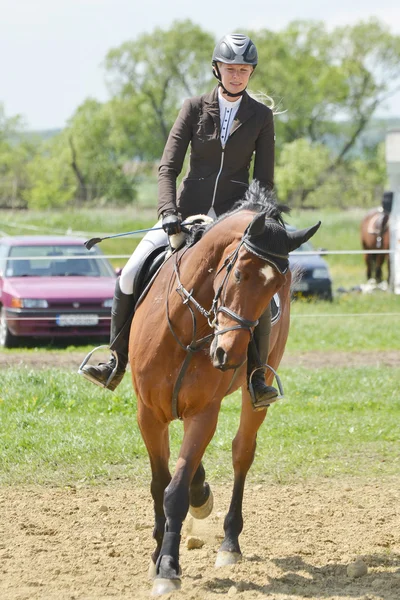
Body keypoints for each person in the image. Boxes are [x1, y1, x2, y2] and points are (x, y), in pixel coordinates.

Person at [80, 32, 278, 409]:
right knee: (130, 272)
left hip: (234, 223)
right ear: (216, 69)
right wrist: (168, 214)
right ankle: (115, 361)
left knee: (259, 296)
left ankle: (256, 377)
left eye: (244, 69)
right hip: (185, 215)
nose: (237, 75)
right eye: (230, 68)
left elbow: (264, 182)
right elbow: (168, 167)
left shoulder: (261, 117)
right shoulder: (192, 107)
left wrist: (252, 222)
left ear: (251, 72)